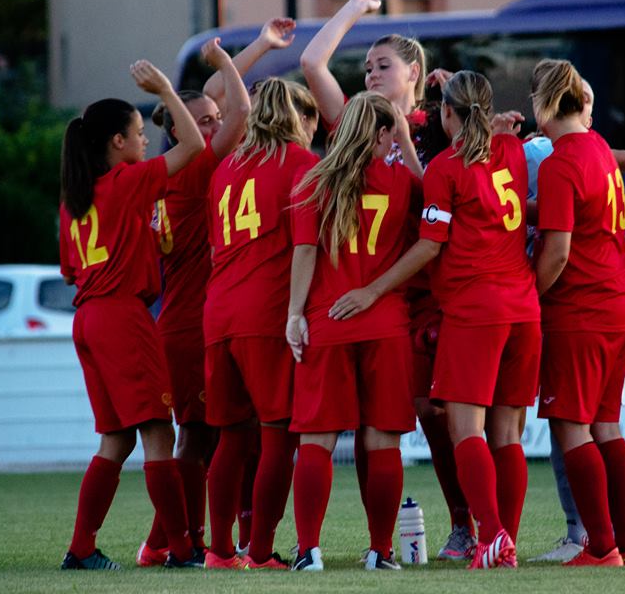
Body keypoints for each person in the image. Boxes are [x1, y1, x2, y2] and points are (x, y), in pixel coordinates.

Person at [328, 71, 541, 570]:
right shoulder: (511, 151)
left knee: (466, 429)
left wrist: (374, 288)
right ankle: (504, 539)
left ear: (447, 114)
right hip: (524, 309)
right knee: (506, 434)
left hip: (474, 309)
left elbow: (430, 243)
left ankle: (490, 537)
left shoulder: (445, 168)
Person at [301, 0, 475, 561]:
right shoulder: (354, 124)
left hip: (429, 291)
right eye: (367, 66)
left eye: (382, 65)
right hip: (378, 298)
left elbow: (444, 199)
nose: (371, 74)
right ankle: (381, 543)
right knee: (384, 423)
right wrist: (352, 9)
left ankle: (463, 524)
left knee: (436, 414)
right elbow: (312, 61)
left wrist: (421, 134)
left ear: (415, 72)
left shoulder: (433, 124)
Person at [58, 60, 206, 570]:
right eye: (140, 133)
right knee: (160, 436)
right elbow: (195, 148)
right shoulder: (126, 182)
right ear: (117, 143)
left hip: (89, 321)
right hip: (122, 317)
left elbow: (69, 270)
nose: (146, 142)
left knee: (115, 440)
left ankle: (81, 549)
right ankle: (182, 550)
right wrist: (165, 88)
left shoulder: (72, 201)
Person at [522, 75, 625, 564]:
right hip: (621, 299)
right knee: (607, 427)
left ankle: (600, 547)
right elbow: (572, 212)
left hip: (582, 307)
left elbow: (557, 254)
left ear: (543, 106)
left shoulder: (559, 163)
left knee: (571, 427)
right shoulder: (597, 146)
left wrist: (528, 298)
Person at [286, 92, 418, 572]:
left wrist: (293, 316)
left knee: (315, 442)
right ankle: (379, 551)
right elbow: (429, 233)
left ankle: (309, 552)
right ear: (384, 134)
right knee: (383, 442)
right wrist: (406, 137)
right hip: (386, 323)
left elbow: (304, 253)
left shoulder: (312, 181)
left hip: (327, 322)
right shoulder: (401, 178)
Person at [135, 34, 251, 567]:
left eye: (210, 120)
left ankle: (166, 540)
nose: (211, 126)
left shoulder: (168, 175)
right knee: (198, 441)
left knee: (201, 440)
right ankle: (170, 540)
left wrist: (262, 47)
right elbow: (241, 110)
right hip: (191, 327)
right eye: (201, 121)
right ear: (180, 128)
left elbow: (221, 98)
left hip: (182, 323)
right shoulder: (192, 171)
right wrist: (229, 59)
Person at [202, 77, 321, 570]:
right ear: (296, 116)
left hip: (219, 311)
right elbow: (305, 245)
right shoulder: (302, 164)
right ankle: (262, 550)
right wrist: (295, 312)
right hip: (265, 310)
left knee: (231, 437)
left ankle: (220, 550)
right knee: (277, 435)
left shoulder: (224, 168)